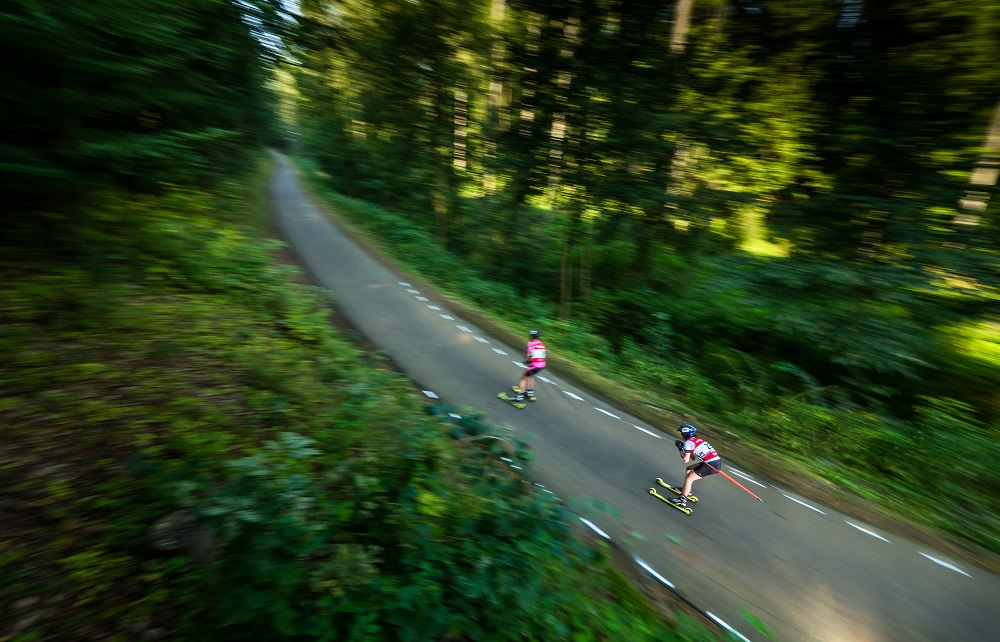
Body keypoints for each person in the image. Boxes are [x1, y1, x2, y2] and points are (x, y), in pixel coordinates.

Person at [670, 423, 723, 507]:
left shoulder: (688, 443)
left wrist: (680, 449)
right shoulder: (696, 440)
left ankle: (682, 500)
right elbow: (693, 458)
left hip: (710, 464)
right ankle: (686, 490)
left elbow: (686, 459)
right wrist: (684, 449)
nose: (681, 435)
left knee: (689, 478)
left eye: (681, 433)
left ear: (685, 434)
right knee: (689, 469)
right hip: (714, 462)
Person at [511, 329, 546, 402]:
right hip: (542, 364)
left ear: (532, 336)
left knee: (523, 379)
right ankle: (530, 392)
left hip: (535, 365)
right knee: (530, 376)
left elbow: (529, 354)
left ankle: (519, 396)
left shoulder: (531, 343)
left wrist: (525, 360)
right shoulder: (541, 344)